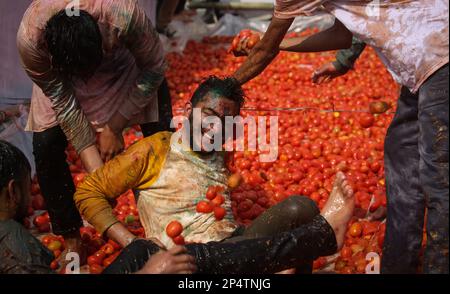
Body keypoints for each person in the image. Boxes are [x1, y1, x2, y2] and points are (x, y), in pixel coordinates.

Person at [230, 0, 449, 274]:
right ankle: (398, 264)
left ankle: (438, 266)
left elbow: (264, 50)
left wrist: (225, 86)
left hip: (439, 56)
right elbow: (342, 35)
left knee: (439, 177)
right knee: (401, 152)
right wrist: (341, 61)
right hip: (421, 64)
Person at [75, 76, 355, 274]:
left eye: (224, 123)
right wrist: (131, 241)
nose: (213, 128)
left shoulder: (221, 152)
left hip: (234, 246)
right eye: (207, 114)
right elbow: (88, 192)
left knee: (301, 207)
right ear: (188, 111)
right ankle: (322, 237)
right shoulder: (155, 148)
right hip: (190, 262)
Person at [17, 0, 173, 257]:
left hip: (124, 68)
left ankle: (168, 218)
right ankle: (70, 236)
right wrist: (99, 178)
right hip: (60, 84)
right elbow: (63, 102)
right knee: (45, 145)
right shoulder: (30, 39)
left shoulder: (123, 15)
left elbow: (155, 68)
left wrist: (115, 126)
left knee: (161, 135)